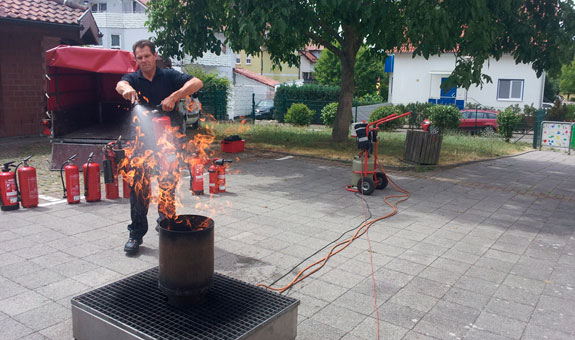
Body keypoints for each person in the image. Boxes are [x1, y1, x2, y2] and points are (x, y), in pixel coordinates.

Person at [116, 39, 203, 254]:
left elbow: (197, 82)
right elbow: (120, 84)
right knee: (139, 188)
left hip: (167, 143)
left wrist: (174, 96)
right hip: (141, 144)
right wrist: (126, 90)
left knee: (167, 185)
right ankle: (136, 234)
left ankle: (166, 225)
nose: (144, 60)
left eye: (147, 56)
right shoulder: (133, 79)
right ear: (136, 59)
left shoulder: (169, 75)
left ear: (155, 56)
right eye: (140, 57)